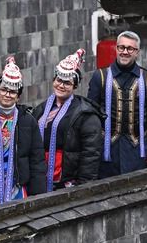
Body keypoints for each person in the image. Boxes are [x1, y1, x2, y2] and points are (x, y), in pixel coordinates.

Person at [87, 31, 147, 177]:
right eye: (121, 47)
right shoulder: (100, 77)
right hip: (106, 152)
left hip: (138, 151)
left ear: (137, 52)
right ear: (116, 49)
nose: (125, 52)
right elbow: (90, 117)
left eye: (130, 49)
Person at [0, 56, 46, 206]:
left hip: (18, 185)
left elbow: (37, 159)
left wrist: (39, 195)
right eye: (3, 90)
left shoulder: (28, 121)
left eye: (12, 91)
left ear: (18, 96)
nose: (7, 95)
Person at [33, 49, 104, 190]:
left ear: (75, 86)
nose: (61, 85)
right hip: (41, 178)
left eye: (67, 82)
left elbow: (90, 155)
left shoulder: (85, 114)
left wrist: (84, 186)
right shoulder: (41, 109)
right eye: (59, 80)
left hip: (67, 181)